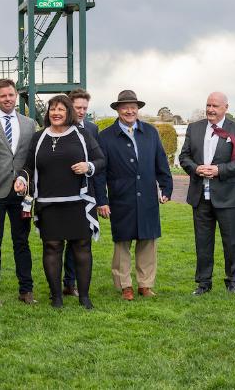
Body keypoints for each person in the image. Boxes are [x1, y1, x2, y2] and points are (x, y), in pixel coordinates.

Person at [15, 95, 103, 309]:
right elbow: (28, 166)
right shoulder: (39, 137)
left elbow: (100, 159)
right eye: (52, 109)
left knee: (82, 247)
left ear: (68, 113)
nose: (56, 113)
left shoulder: (82, 135)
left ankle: (84, 297)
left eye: (61, 109)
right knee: (52, 247)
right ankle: (56, 297)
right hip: (48, 203)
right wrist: (21, 179)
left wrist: (88, 166)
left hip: (78, 202)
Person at [93, 90, 172, 301]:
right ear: (118, 109)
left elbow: (161, 163)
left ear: (138, 109)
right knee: (122, 243)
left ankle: (145, 285)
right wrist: (102, 200)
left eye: (133, 107)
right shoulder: (105, 137)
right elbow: (99, 173)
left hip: (147, 196)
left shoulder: (151, 132)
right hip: (121, 197)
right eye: (125, 107)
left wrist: (166, 187)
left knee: (147, 241)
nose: (130, 111)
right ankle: (125, 285)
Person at [179, 92, 235, 295]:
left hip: (228, 196)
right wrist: (196, 168)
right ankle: (203, 283)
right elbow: (184, 156)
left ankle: (234, 282)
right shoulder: (195, 128)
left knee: (232, 241)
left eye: (215, 106)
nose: (210, 109)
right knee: (202, 241)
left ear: (225, 108)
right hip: (200, 195)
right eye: (208, 105)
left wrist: (219, 170)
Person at [0, 78, 38, 306]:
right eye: (3, 95)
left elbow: (30, 157)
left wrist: (26, 180)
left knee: (21, 242)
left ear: (16, 96)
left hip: (20, 194)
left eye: (11, 95)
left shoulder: (29, 123)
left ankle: (26, 290)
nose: (7, 99)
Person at [62, 88, 100, 297]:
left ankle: (72, 282)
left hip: (86, 193)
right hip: (62, 191)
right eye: (78, 107)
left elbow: (99, 160)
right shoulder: (57, 127)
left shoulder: (92, 130)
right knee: (63, 239)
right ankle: (66, 282)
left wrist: (101, 199)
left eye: (85, 108)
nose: (82, 111)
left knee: (81, 239)